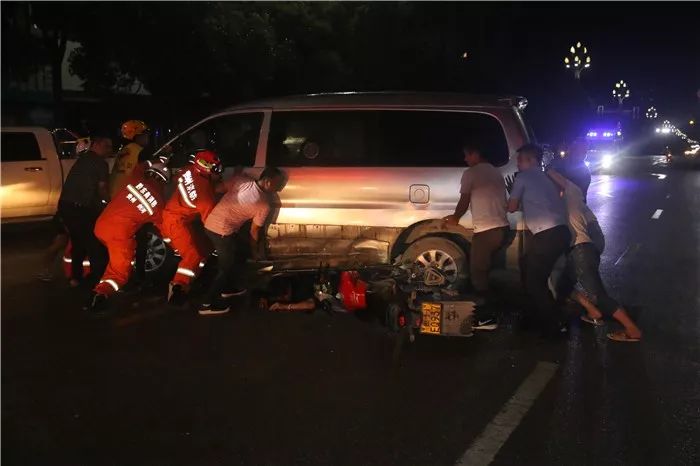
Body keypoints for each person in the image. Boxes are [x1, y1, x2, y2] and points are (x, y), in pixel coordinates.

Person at [547, 169, 642, 342]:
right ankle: (593, 311)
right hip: (583, 248)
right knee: (561, 284)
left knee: (598, 294)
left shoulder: (562, 200)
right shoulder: (573, 192)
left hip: (580, 250)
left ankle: (632, 329)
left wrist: (543, 171)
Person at [199, 167, 285, 316]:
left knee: (239, 252)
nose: (280, 188)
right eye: (278, 185)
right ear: (268, 182)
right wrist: (256, 253)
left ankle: (228, 288)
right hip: (222, 232)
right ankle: (206, 304)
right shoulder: (264, 204)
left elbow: (218, 189)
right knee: (225, 268)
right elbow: (254, 232)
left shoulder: (242, 181)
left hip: (210, 224)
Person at [87, 162, 171, 311]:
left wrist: (157, 160)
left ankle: (95, 279)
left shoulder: (136, 179)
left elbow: (139, 166)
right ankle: (100, 294)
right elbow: (165, 228)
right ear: (163, 182)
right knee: (120, 273)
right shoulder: (159, 203)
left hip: (100, 225)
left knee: (110, 258)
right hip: (119, 236)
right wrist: (173, 244)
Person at [507, 143, 571, 338]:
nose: (517, 164)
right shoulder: (545, 177)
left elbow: (511, 208)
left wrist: (511, 196)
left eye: (520, 160)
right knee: (526, 265)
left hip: (547, 234)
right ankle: (534, 316)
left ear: (532, 160)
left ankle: (555, 325)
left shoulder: (523, 177)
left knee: (535, 282)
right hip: (561, 232)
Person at [443, 144, 509, 331]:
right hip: (502, 228)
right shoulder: (496, 172)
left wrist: (455, 218)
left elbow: (464, 199)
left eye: (467, 155)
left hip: (486, 231)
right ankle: (496, 308)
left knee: (477, 274)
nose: (465, 159)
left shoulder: (471, 173)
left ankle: (488, 319)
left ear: (476, 154)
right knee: (486, 271)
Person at [161, 150, 221, 305]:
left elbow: (177, 179)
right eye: (216, 170)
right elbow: (211, 224)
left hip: (176, 217)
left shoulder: (188, 170)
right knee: (192, 255)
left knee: (201, 252)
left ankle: (192, 281)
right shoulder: (206, 198)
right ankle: (178, 287)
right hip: (176, 222)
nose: (219, 174)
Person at [57, 136, 113, 287]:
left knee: (78, 242)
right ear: (98, 144)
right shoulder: (101, 163)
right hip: (80, 208)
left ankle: (75, 277)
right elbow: (102, 189)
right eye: (107, 146)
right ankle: (97, 281)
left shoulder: (83, 159)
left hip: (65, 206)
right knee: (94, 245)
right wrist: (111, 204)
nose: (110, 150)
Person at [109, 120, 150, 197]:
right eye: (145, 135)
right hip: (125, 195)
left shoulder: (125, 150)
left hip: (114, 193)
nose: (147, 138)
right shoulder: (137, 151)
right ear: (137, 136)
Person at [550, 137, 591, 202]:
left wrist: (552, 174)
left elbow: (574, 190)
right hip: (558, 205)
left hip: (574, 206)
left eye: (584, 151)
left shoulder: (584, 172)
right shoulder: (559, 163)